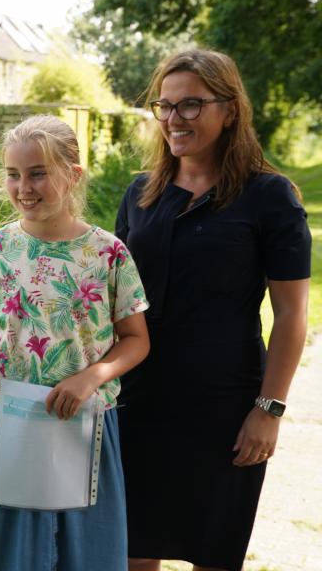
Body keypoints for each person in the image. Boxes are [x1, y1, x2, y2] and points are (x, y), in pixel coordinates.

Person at [115, 49, 311, 571]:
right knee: (133, 551)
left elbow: (291, 315)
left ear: (229, 110)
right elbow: (110, 298)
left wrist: (268, 410)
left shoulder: (270, 198)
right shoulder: (140, 195)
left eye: (191, 106)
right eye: (165, 106)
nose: (175, 119)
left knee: (214, 555)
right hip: (139, 400)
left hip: (225, 405)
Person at [0, 115, 150, 571]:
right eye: (13, 174)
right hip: (9, 419)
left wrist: (90, 378)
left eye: (38, 173)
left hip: (84, 423)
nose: (23, 186)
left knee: (81, 551)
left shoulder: (108, 254)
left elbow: (136, 341)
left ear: (72, 175)